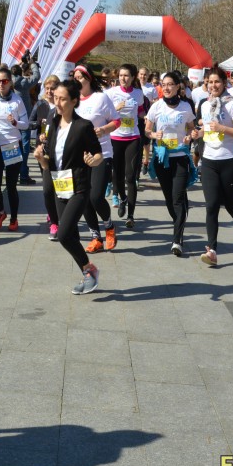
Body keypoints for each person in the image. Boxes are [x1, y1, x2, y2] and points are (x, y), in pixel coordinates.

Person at [33, 78, 103, 294]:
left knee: (62, 235)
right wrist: (40, 158)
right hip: (59, 186)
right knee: (70, 235)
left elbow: (98, 152)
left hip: (79, 187)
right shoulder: (53, 124)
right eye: (56, 98)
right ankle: (87, 273)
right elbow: (48, 162)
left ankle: (89, 269)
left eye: (63, 99)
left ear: (74, 101)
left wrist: (95, 160)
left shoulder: (83, 126)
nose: (58, 103)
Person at [190, 66, 233, 265]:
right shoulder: (204, 105)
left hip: (230, 160)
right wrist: (198, 133)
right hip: (209, 161)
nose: (213, 85)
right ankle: (212, 250)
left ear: (224, 83)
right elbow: (205, 129)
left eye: (217, 82)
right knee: (212, 205)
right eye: (210, 82)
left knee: (230, 204)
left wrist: (223, 128)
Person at [145, 70, 197, 256]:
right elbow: (147, 130)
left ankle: (177, 240)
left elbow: (192, 129)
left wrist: (190, 137)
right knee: (170, 200)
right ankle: (179, 223)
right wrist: (153, 135)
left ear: (177, 87)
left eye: (170, 85)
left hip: (180, 157)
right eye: (163, 85)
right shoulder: (157, 106)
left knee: (177, 197)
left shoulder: (185, 107)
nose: (166, 88)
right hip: (162, 158)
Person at [72, 64, 118, 253]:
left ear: (89, 78)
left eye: (80, 77)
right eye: (74, 78)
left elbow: (117, 120)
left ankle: (108, 226)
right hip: (79, 157)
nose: (77, 81)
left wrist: (104, 130)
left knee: (96, 196)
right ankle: (95, 237)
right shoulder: (72, 101)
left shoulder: (101, 98)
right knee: (83, 198)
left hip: (102, 153)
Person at [0, 66, 28, 231]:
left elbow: (25, 124)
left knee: (11, 185)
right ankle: (1, 211)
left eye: (5, 81)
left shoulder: (17, 101)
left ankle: (14, 218)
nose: (1, 84)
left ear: (10, 83)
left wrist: (15, 123)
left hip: (12, 145)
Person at [106, 64, 145, 229]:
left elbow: (142, 113)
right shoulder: (110, 93)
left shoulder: (138, 93)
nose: (123, 78)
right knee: (118, 175)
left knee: (130, 177)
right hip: (115, 137)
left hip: (133, 137)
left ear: (133, 77)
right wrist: (116, 108)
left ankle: (131, 215)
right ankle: (122, 198)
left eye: (127, 75)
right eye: (121, 75)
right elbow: (105, 115)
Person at [32, 75, 61, 237]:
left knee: (58, 187)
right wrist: (39, 126)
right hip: (43, 151)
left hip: (59, 152)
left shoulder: (62, 105)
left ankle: (57, 214)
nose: (49, 91)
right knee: (47, 188)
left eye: (52, 88)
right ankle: (53, 217)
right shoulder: (40, 104)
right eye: (47, 88)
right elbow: (30, 123)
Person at [12, 56, 39, 185]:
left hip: (13, 120)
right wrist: (32, 64)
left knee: (13, 147)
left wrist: (19, 65)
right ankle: (23, 174)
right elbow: (36, 77)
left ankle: (13, 173)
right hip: (24, 119)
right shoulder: (23, 83)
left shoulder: (9, 81)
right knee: (25, 147)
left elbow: (13, 72)